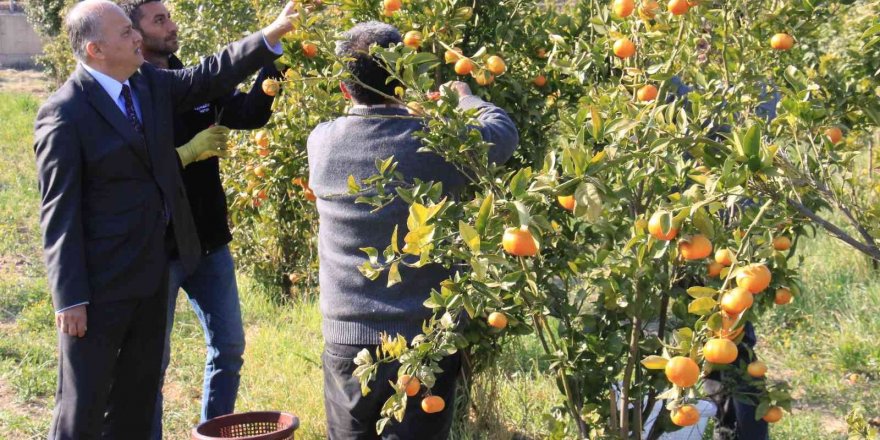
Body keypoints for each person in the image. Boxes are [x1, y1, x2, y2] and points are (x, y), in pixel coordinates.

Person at [33, 1, 298, 438]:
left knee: (136, 399)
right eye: (125, 33)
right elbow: (58, 212)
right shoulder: (65, 113)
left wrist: (270, 36)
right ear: (96, 49)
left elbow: (208, 74)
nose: (137, 37)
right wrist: (70, 298)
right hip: (100, 288)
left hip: (152, 273)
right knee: (83, 406)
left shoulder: (147, 86)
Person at [307, 21, 519, 439]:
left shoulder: (322, 143)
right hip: (426, 339)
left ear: (345, 88)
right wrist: (464, 100)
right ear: (409, 77)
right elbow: (502, 133)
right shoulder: (439, 145)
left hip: (348, 339)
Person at [117, 1, 283, 436]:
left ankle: (215, 432)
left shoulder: (190, 79)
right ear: (132, 33)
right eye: (160, 20)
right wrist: (187, 153)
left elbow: (250, 113)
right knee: (153, 359)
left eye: (170, 16)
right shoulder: (127, 92)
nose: (172, 25)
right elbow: (129, 171)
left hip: (208, 239)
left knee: (228, 347)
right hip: (159, 246)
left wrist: (276, 58)